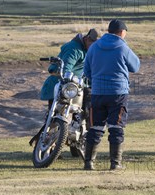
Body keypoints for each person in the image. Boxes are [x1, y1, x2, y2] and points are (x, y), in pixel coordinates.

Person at [83, 19, 140, 171]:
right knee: (116, 127)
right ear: (122, 32)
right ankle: (115, 163)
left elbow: (86, 70)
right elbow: (135, 66)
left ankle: (88, 162)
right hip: (118, 93)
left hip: (97, 93)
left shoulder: (94, 46)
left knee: (95, 127)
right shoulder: (122, 47)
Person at [39, 28, 100, 112]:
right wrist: (68, 79)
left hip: (79, 83)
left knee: (90, 105)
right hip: (62, 82)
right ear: (86, 39)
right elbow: (66, 67)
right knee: (54, 112)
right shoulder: (74, 49)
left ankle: (88, 123)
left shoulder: (89, 50)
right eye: (93, 44)